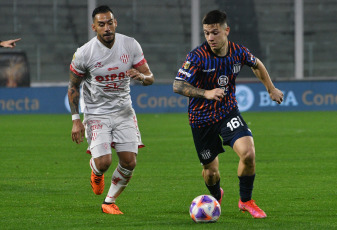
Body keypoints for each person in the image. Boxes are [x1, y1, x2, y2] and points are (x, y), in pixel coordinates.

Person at [173, 10, 283, 219]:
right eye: (206, 33)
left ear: (226, 30)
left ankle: (246, 200)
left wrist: (271, 89)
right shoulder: (197, 57)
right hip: (201, 119)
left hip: (227, 112)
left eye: (214, 33)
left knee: (248, 154)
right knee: (211, 172)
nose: (210, 38)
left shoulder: (238, 52)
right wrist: (206, 93)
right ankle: (215, 195)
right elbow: (177, 85)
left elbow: (256, 63)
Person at [68, 5, 154, 215]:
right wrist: (75, 119)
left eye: (109, 23)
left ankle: (109, 201)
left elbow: (150, 77)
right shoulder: (84, 53)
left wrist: (142, 78)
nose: (106, 28)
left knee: (129, 161)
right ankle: (96, 171)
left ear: (115, 23)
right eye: (101, 24)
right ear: (94, 27)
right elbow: (73, 86)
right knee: (104, 162)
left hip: (124, 111)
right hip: (96, 113)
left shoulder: (130, 45)